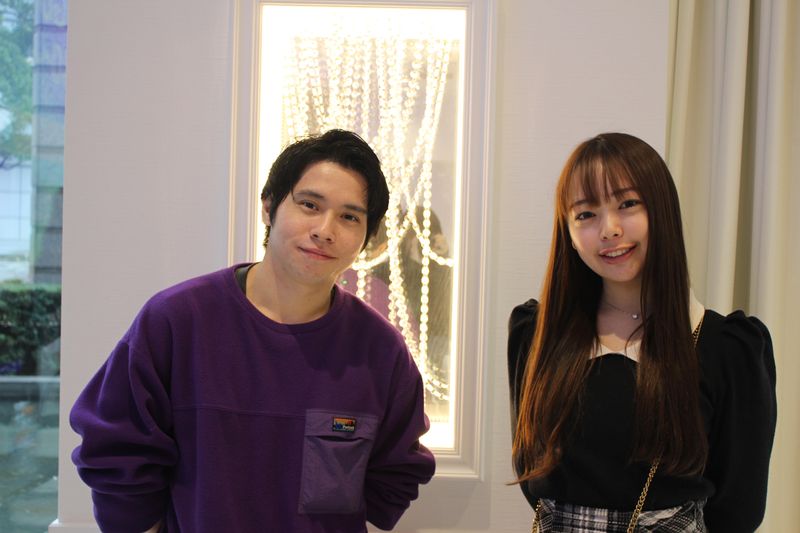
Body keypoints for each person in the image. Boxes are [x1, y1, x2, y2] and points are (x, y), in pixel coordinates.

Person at [70, 129, 436, 533]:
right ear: (268, 206)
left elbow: (396, 474)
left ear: (368, 236)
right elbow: (117, 454)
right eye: (309, 205)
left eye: (349, 216)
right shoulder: (177, 321)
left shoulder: (380, 351)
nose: (325, 229)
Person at [508, 132, 776, 532]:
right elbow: (532, 472)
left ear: (662, 209)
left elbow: (738, 510)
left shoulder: (727, 348)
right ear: (568, 232)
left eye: (627, 204)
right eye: (586, 214)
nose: (609, 229)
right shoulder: (536, 334)